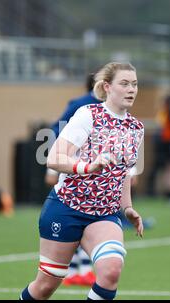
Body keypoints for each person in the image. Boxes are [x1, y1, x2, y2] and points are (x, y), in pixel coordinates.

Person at [20, 62, 144, 300]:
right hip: (66, 207)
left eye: (135, 84)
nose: (131, 89)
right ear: (107, 87)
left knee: (111, 272)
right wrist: (88, 167)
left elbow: (125, 173)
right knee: (45, 286)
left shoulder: (136, 128)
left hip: (104, 214)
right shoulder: (88, 115)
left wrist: (127, 208)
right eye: (125, 83)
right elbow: (54, 158)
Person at [45, 73, 101, 287]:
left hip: (97, 179)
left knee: (89, 221)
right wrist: (51, 166)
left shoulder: (110, 109)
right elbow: (55, 130)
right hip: (76, 173)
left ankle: (81, 270)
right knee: (79, 220)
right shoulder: (81, 105)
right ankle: (79, 269)